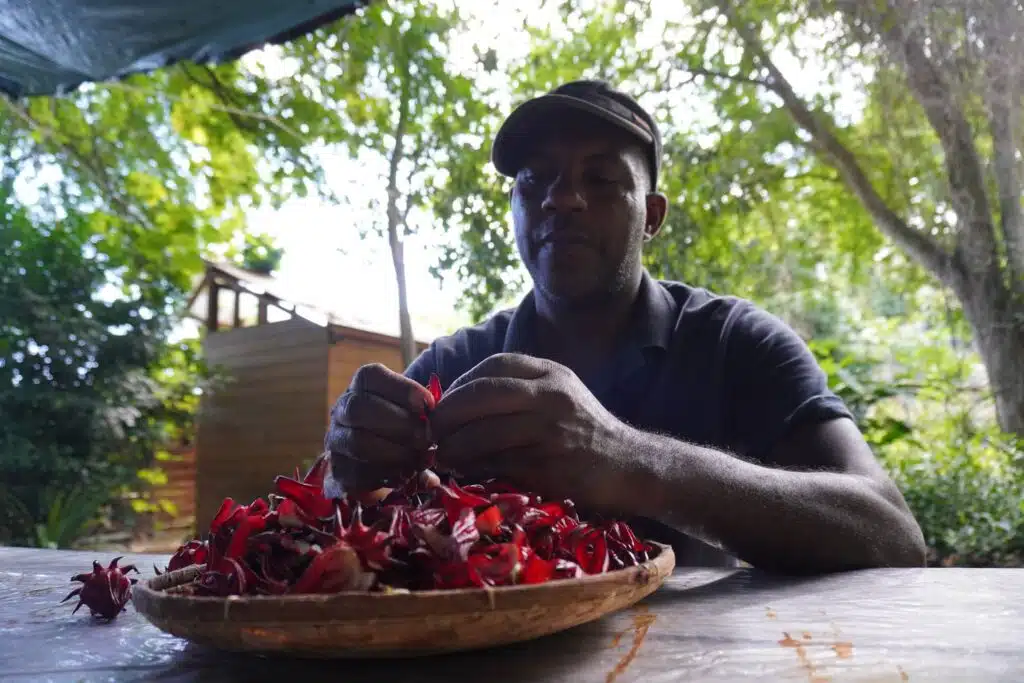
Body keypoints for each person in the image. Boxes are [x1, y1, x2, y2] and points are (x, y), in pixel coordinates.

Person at [325, 79, 927, 573]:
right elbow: (340, 514)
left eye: (602, 179)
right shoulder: (451, 366)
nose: (562, 199)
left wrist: (630, 462)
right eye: (535, 178)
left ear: (652, 217)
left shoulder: (737, 343)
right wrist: (348, 471)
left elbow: (893, 534)